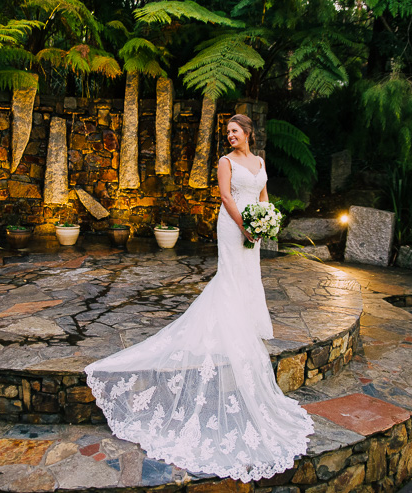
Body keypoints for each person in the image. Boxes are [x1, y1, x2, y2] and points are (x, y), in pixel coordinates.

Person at [85, 114, 314, 482]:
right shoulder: (225, 162)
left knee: (248, 276)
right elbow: (226, 197)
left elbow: (263, 195)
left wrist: (266, 220)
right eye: (227, 133)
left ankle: (244, 320)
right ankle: (229, 325)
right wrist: (245, 225)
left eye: (235, 132)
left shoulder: (259, 162)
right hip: (233, 224)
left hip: (253, 226)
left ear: (248, 133)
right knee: (229, 276)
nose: (230, 136)